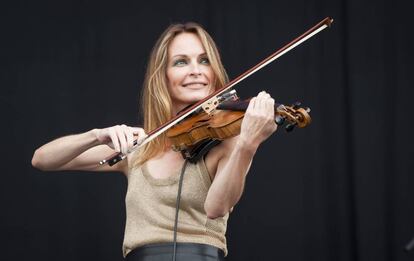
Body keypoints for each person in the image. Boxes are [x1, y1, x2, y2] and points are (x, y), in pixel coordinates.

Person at [31, 22, 277, 261]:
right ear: (162, 76)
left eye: (204, 60)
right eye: (181, 62)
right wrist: (95, 135)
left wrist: (247, 144)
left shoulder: (228, 142)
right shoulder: (140, 144)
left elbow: (216, 208)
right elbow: (42, 160)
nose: (196, 70)